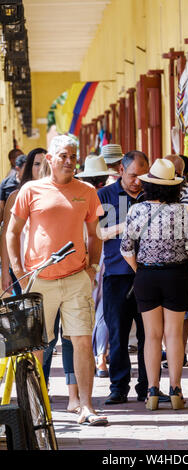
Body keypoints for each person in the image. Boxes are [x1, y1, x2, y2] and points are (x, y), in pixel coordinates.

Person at [6, 135, 108, 426]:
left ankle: (86, 407)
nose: (68, 161)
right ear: (50, 158)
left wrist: (93, 267)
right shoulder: (31, 190)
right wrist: (18, 271)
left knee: (82, 342)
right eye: (63, 155)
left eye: (73, 157)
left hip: (77, 278)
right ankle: (36, 409)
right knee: (36, 347)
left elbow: (94, 233)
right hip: (39, 279)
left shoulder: (88, 191)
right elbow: (12, 232)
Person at [120, 159, 188, 410]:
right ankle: (176, 390)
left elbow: (126, 248)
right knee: (174, 335)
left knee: (152, 336)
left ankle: (152, 391)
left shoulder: (136, 210)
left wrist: (140, 270)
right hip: (176, 276)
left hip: (146, 277)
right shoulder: (185, 212)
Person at [97, 150, 150, 404]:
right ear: (121, 171)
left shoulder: (152, 194)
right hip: (116, 274)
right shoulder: (105, 195)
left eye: (143, 175)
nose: (138, 181)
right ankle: (118, 387)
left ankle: (148, 386)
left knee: (148, 334)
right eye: (133, 176)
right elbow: (98, 233)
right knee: (117, 333)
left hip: (149, 273)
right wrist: (126, 225)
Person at [75, 154, 118, 378]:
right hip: (98, 256)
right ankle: (99, 357)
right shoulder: (106, 195)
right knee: (98, 308)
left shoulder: (81, 194)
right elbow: (101, 233)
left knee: (91, 308)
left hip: (86, 255)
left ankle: (96, 357)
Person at [164, 154, 188, 367]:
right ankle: (171, 350)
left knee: (183, 310)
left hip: (182, 256)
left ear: (179, 172)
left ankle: (180, 350)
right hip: (163, 258)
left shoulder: (187, 190)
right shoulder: (156, 186)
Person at [1, 148, 46, 295]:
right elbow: (6, 235)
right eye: (37, 164)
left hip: (50, 267)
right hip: (22, 269)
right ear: (29, 168)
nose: (41, 169)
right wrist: (6, 271)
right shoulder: (16, 196)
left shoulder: (58, 196)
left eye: (46, 164)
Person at [0, 153, 26, 224]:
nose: (28, 172)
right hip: (9, 223)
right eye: (26, 169)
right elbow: (1, 206)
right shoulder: (6, 183)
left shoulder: (32, 183)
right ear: (17, 168)